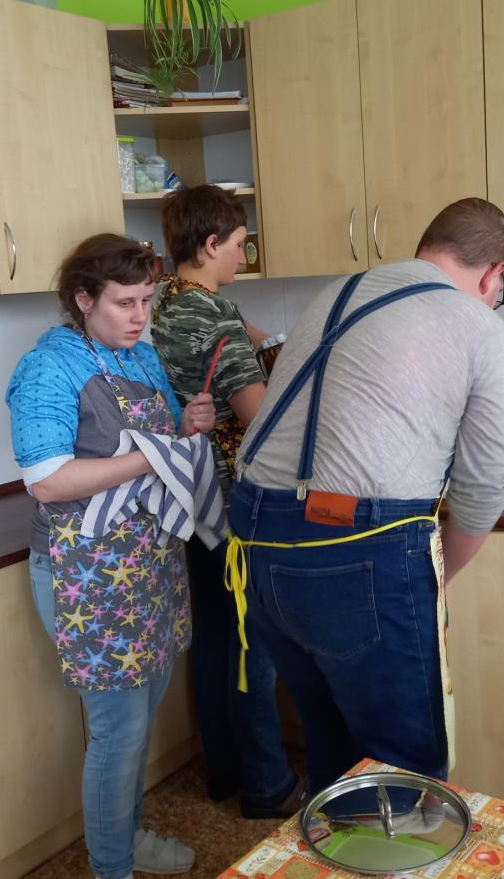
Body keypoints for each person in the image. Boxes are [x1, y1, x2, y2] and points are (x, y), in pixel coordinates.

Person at [226, 198, 504, 796]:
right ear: (495, 274)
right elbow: (483, 490)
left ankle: (340, 836)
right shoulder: (479, 324)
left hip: (257, 538)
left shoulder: (336, 293)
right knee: (401, 769)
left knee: (331, 741)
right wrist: (435, 577)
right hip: (357, 548)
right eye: (498, 291)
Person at [5, 234, 216, 879]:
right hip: (86, 571)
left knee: (141, 719)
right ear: (83, 299)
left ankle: (128, 837)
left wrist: (188, 426)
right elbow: (47, 480)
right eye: (125, 303)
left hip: (148, 562)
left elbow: (165, 436)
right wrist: (152, 456)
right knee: (118, 732)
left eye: (147, 300)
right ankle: (112, 867)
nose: (140, 316)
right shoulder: (49, 368)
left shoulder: (140, 357)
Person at [149, 185, 306, 819]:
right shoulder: (212, 318)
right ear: (211, 244)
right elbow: (258, 419)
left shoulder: (166, 299)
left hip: (182, 498)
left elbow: (250, 332)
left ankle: (224, 770)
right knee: (252, 642)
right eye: (239, 244)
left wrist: (284, 341)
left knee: (215, 634)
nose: (244, 255)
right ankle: (267, 785)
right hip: (230, 498)